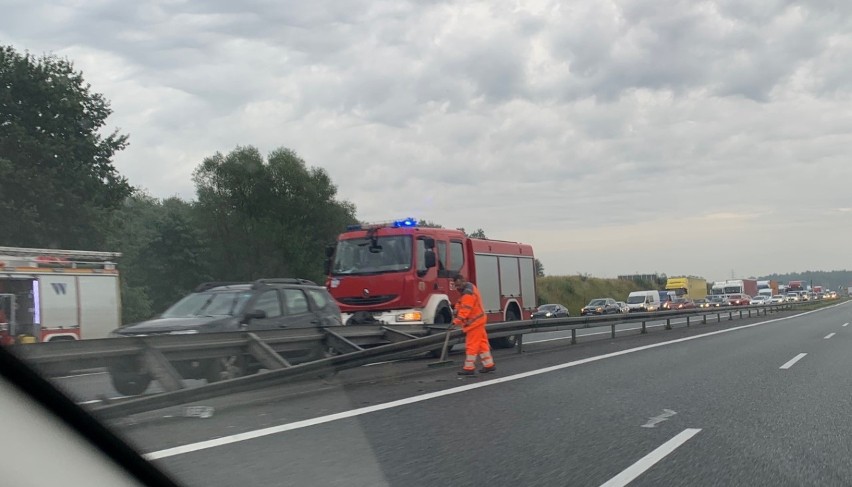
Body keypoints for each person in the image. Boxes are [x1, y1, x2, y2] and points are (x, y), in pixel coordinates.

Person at [451, 272, 495, 375]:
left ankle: (469, 368)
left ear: (463, 281)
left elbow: (465, 310)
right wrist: (456, 309)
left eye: (458, 285)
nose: (457, 287)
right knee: (482, 344)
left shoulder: (467, 294)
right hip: (478, 320)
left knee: (472, 345)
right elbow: (460, 302)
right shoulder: (468, 289)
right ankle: (489, 365)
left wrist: (456, 321)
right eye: (455, 285)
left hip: (474, 323)